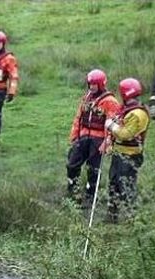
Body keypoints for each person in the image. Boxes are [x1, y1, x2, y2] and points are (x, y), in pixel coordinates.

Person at [66, 69, 121, 206]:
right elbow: (78, 118)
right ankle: (74, 191)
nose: (91, 87)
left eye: (94, 84)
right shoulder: (87, 97)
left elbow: (112, 124)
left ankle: (91, 195)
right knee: (72, 164)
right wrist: (74, 136)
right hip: (83, 136)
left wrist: (107, 143)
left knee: (93, 170)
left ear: (101, 84)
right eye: (89, 84)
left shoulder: (110, 101)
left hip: (98, 140)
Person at [104, 78, 150, 222]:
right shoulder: (126, 110)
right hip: (119, 153)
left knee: (127, 186)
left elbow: (125, 134)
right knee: (114, 184)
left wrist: (111, 126)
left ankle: (133, 219)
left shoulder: (137, 114)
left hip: (130, 155)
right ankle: (112, 214)